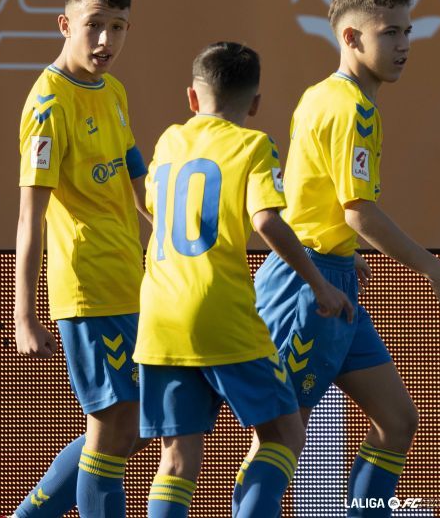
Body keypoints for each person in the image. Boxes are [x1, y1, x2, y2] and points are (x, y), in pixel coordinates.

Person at [248, 0, 440, 517]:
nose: (403, 45)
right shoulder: (350, 106)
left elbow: (317, 197)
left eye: (408, 31)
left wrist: (340, 250)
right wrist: (433, 270)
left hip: (333, 278)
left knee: (396, 420)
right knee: (281, 435)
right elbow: (358, 210)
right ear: (351, 38)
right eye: (389, 32)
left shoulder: (328, 95)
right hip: (305, 288)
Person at [133, 42, 352, 517]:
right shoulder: (254, 144)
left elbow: (150, 205)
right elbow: (267, 221)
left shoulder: (170, 140)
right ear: (255, 103)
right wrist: (320, 283)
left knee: (175, 460)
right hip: (221, 312)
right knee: (284, 433)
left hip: (159, 316)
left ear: (191, 98)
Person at [0, 0, 151, 518]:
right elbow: (29, 215)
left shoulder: (113, 91)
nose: (106, 41)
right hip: (88, 288)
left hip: (128, 283)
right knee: (113, 426)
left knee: (129, 429)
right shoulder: (47, 105)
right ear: (65, 25)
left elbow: (139, 182)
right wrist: (23, 312)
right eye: (94, 26)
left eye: (118, 28)